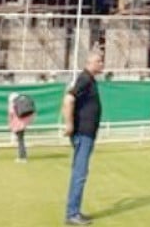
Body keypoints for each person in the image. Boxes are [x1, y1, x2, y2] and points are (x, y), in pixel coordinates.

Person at [63, 52, 104, 225]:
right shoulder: (85, 79)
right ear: (89, 63)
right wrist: (69, 125)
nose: (102, 64)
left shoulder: (89, 80)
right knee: (79, 174)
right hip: (83, 133)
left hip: (87, 133)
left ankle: (75, 211)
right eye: (99, 61)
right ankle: (72, 214)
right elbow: (68, 99)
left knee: (80, 173)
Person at [8, 92, 35, 163]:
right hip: (23, 124)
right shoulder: (20, 103)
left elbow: (10, 115)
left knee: (20, 141)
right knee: (21, 140)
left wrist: (10, 125)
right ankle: (22, 156)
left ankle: (22, 158)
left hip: (17, 126)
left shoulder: (12, 105)